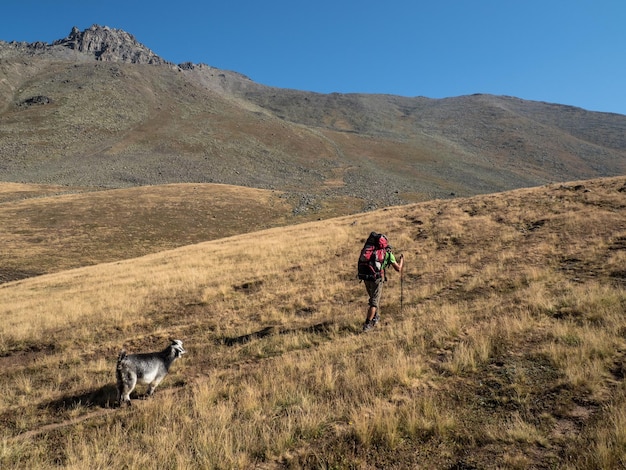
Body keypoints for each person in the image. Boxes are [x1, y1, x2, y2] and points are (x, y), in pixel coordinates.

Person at [362, 241, 404, 332]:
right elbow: (398, 269)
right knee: (374, 302)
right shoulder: (388, 254)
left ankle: (375, 317)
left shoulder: (372, 252)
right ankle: (367, 324)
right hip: (377, 279)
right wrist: (401, 261)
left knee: (373, 297)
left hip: (366, 277)